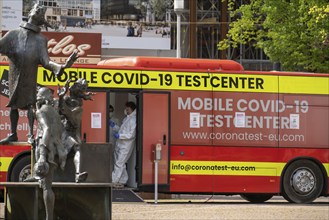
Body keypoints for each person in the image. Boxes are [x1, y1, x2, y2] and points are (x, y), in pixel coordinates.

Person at [0, 3, 78, 145]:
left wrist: (64, 66)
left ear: (41, 19)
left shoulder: (40, 40)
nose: (37, 13)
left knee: (30, 105)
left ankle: (30, 133)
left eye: (41, 13)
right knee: (13, 105)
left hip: (30, 76)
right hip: (15, 75)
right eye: (36, 10)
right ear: (30, 12)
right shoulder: (13, 34)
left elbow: (46, 61)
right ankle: (13, 133)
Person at [33, 87, 67, 220]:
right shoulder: (54, 112)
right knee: (47, 184)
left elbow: (46, 129)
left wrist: (42, 155)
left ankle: (49, 217)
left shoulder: (41, 111)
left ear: (43, 98)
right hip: (56, 149)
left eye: (39, 95)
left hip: (47, 150)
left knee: (47, 187)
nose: (37, 97)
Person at [57, 78, 95, 182]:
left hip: (70, 132)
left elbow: (71, 116)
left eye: (79, 87)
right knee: (76, 146)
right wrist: (60, 97)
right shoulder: (65, 98)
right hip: (62, 131)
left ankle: (78, 174)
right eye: (76, 85)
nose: (73, 87)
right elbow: (60, 110)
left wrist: (83, 95)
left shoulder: (78, 105)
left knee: (77, 147)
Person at [110, 101, 137, 187]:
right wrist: (114, 126)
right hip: (120, 144)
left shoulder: (133, 120)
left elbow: (131, 135)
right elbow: (121, 130)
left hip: (126, 146)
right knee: (121, 163)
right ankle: (123, 180)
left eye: (127, 109)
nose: (126, 110)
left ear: (132, 109)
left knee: (119, 163)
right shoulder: (127, 119)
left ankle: (113, 181)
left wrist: (120, 136)